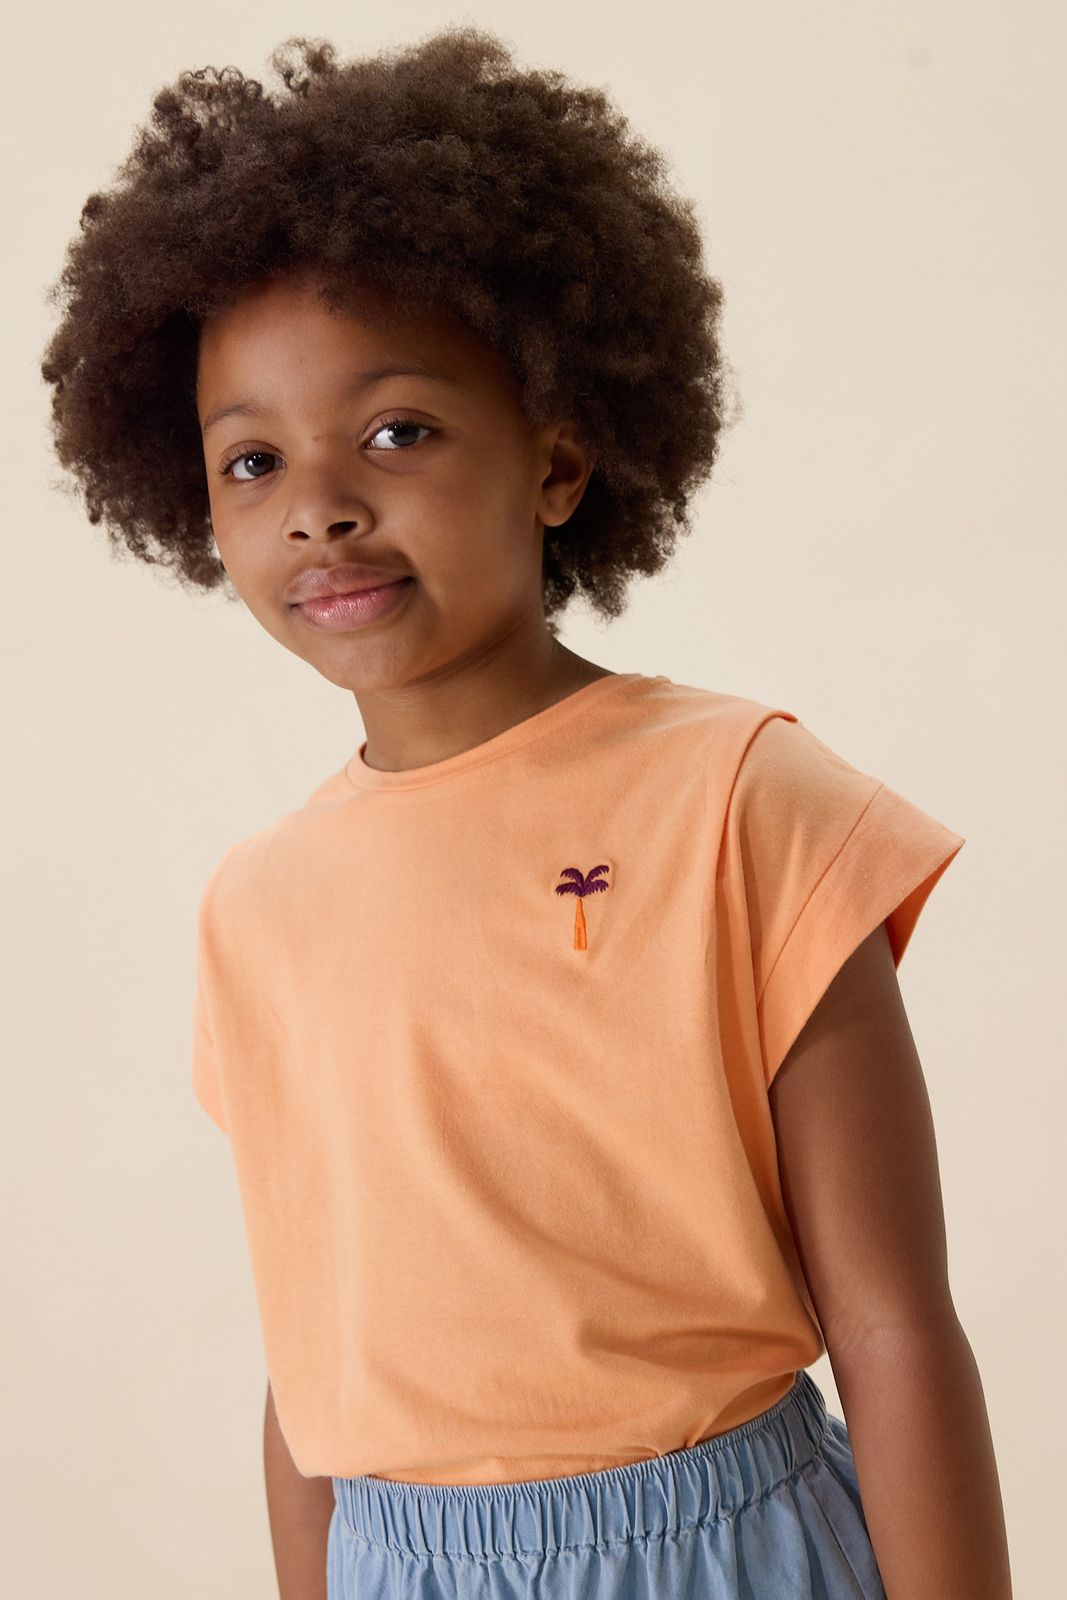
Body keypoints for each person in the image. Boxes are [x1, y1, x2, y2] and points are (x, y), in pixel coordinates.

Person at [39, 25, 1013, 1600]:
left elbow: (895, 1321)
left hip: (729, 1552)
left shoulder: (739, 799)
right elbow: (313, 1378)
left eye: (397, 431)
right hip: (401, 1564)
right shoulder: (258, 908)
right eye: (252, 460)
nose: (319, 506)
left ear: (558, 462)